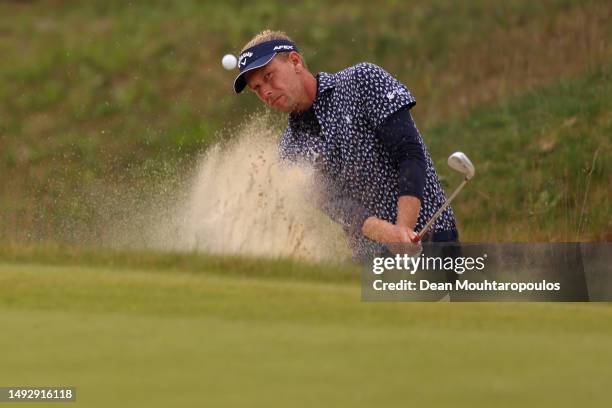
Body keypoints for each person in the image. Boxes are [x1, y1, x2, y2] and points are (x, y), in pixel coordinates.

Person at [234, 30, 458, 262]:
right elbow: (338, 206)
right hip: (370, 258)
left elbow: (409, 153)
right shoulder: (290, 152)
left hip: (431, 236)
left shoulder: (362, 80)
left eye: (269, 76)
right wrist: (387, 234)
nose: (266, 92)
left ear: (295, 61)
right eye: (257, 88)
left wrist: (403, 230)